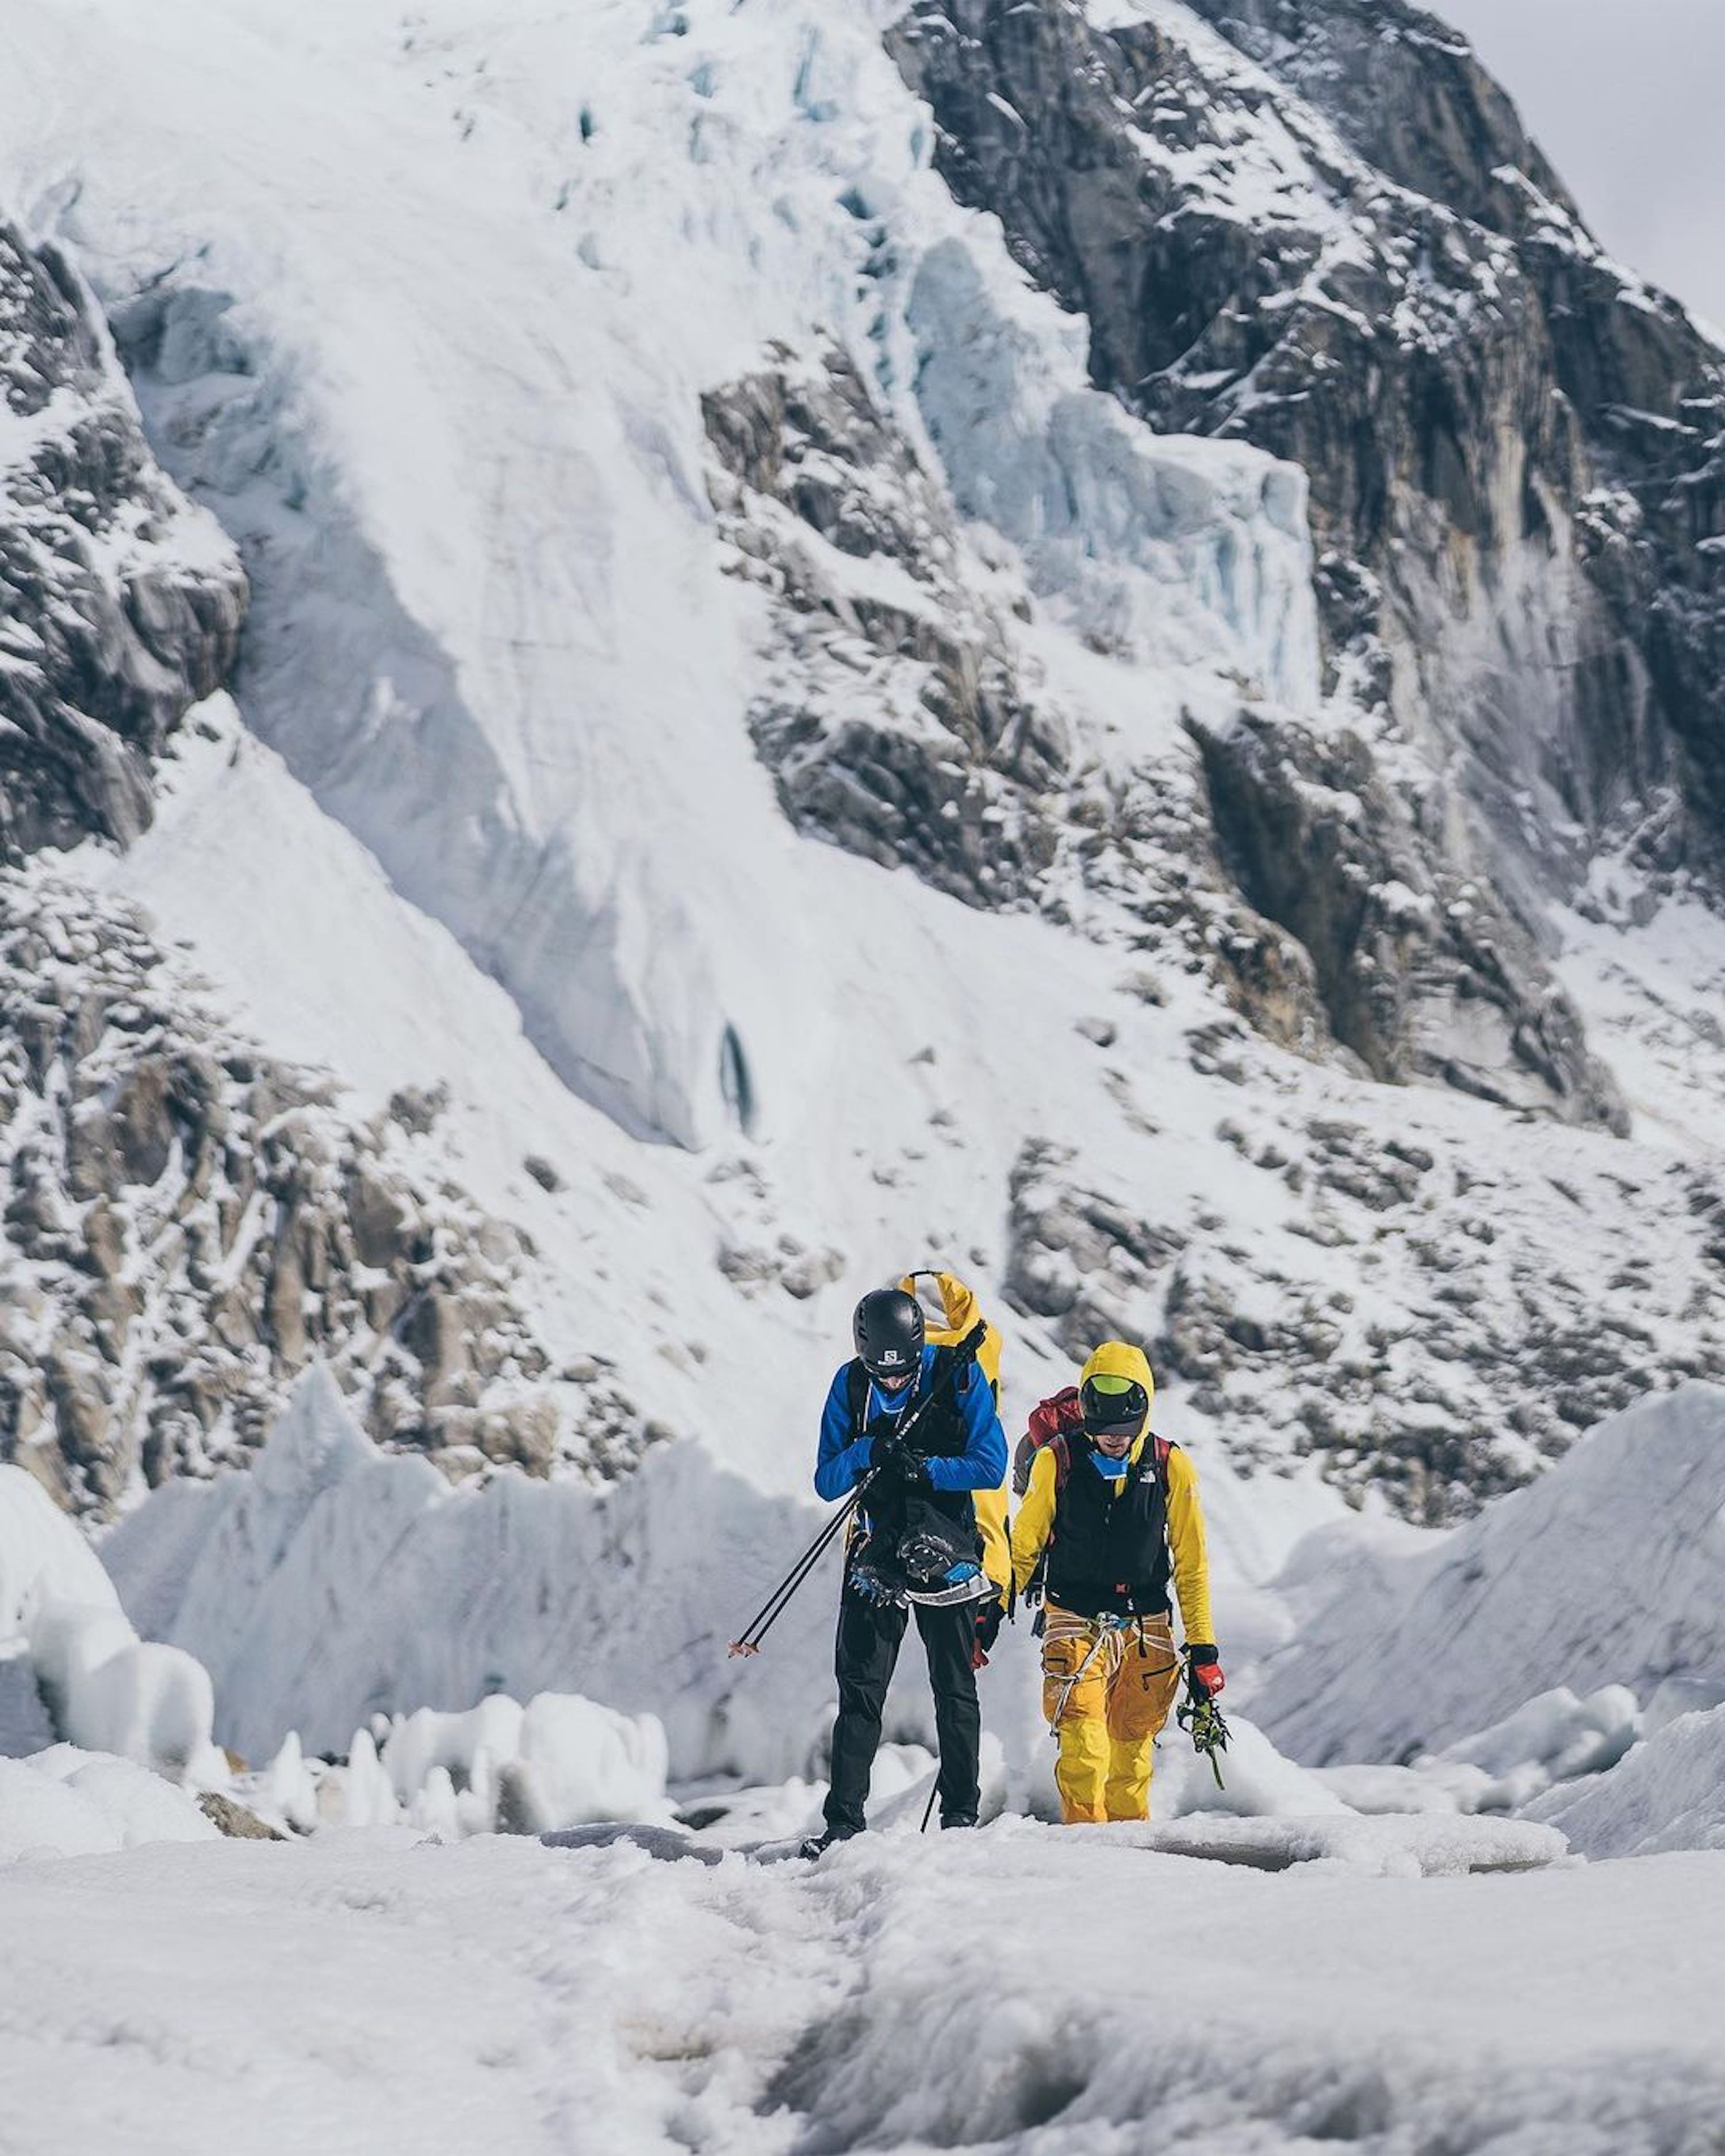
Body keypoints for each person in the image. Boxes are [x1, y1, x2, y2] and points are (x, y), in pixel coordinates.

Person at [802, 1279, 1009, 1856]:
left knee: (954, 1687)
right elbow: (826, 1480)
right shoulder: (849, 1385)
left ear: (921, 1349)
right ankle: (843, 1824)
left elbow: (990, 1465)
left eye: (903, 1371)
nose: (892, 1380)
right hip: (876, 1556)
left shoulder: (959, 1373)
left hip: (948, 1552)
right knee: (861, 1691)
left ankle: (961, 1818)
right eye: (881, 1373)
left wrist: (925, 1470)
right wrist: (869, 1451)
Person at [1010, 1340, 1222, 1825]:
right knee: (1084, 1748)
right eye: (1102, 1431)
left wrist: (1203, 1647)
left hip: (1147, 1624)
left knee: (1131, 1759)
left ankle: (1130, 1867)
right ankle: (1088, 1854)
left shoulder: (1171, 1466)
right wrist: (987, 1612)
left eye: (1123, 1432)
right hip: (1072, 1618)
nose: (1112, 1440)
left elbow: (1191, 1562)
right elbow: (1025, 1544)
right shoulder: (1055, 1461)